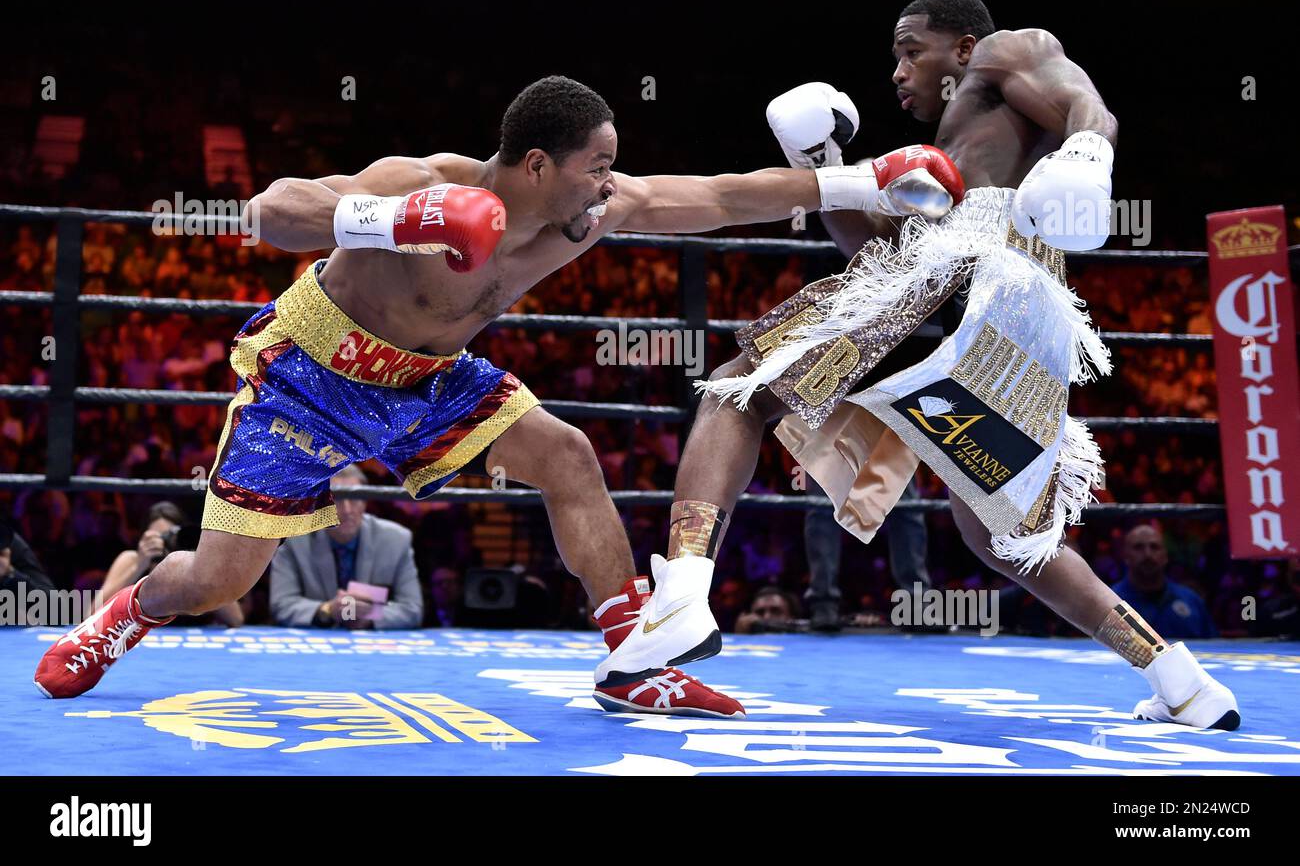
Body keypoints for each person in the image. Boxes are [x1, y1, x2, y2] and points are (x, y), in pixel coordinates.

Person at [35, 75, 944, 717]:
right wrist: (399, 221)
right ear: (539, 165)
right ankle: (125, 615)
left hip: (432, 382)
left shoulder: (592, 211)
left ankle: (634, 660)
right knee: (217, 578)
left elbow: (713, 195)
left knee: (567, 455)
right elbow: (268, 212)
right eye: (596, 165)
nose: (609, 184)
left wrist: (859, 179)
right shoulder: (423, 183)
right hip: (310, 375)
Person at [604, 0, 1239, 730]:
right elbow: (876, 252)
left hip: (971, 269)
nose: (899, 72)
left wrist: (1089, 153)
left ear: (964, 48)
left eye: (912, 50)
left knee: (740, 389)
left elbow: (1088, 106)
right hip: (1007, 303)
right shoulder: (954, 151)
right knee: (1001, 532)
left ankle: (681, 591)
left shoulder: (1007, 51)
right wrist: (824, 162)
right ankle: (1182, 679)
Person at [269, 466, 424, 629]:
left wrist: (370, 615)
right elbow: (281, 604)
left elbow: (412, 609)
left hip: (371, 644)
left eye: (355, 499)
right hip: (317, 640)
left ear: (365, 502)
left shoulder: (396, 539)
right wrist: (327, 610)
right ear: (320, 503)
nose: (347, 510)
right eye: (337, 499)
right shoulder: (293, 540)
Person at [99, 501, 242, 627]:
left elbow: (235, 619)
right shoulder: (131, 560)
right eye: (157, 537)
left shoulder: (194, 565)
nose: (163, 542)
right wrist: (140, 566)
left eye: (169, 535)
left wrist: (191, 565)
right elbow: (95, 614)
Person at [1111, 524, 1216, 639]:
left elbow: (1215, 646)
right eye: (1138, 547)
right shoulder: (1111, 601)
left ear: (1165, 556)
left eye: (1154, 547)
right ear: (1126, 556)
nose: (1148, 554)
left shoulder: (1191, 600)